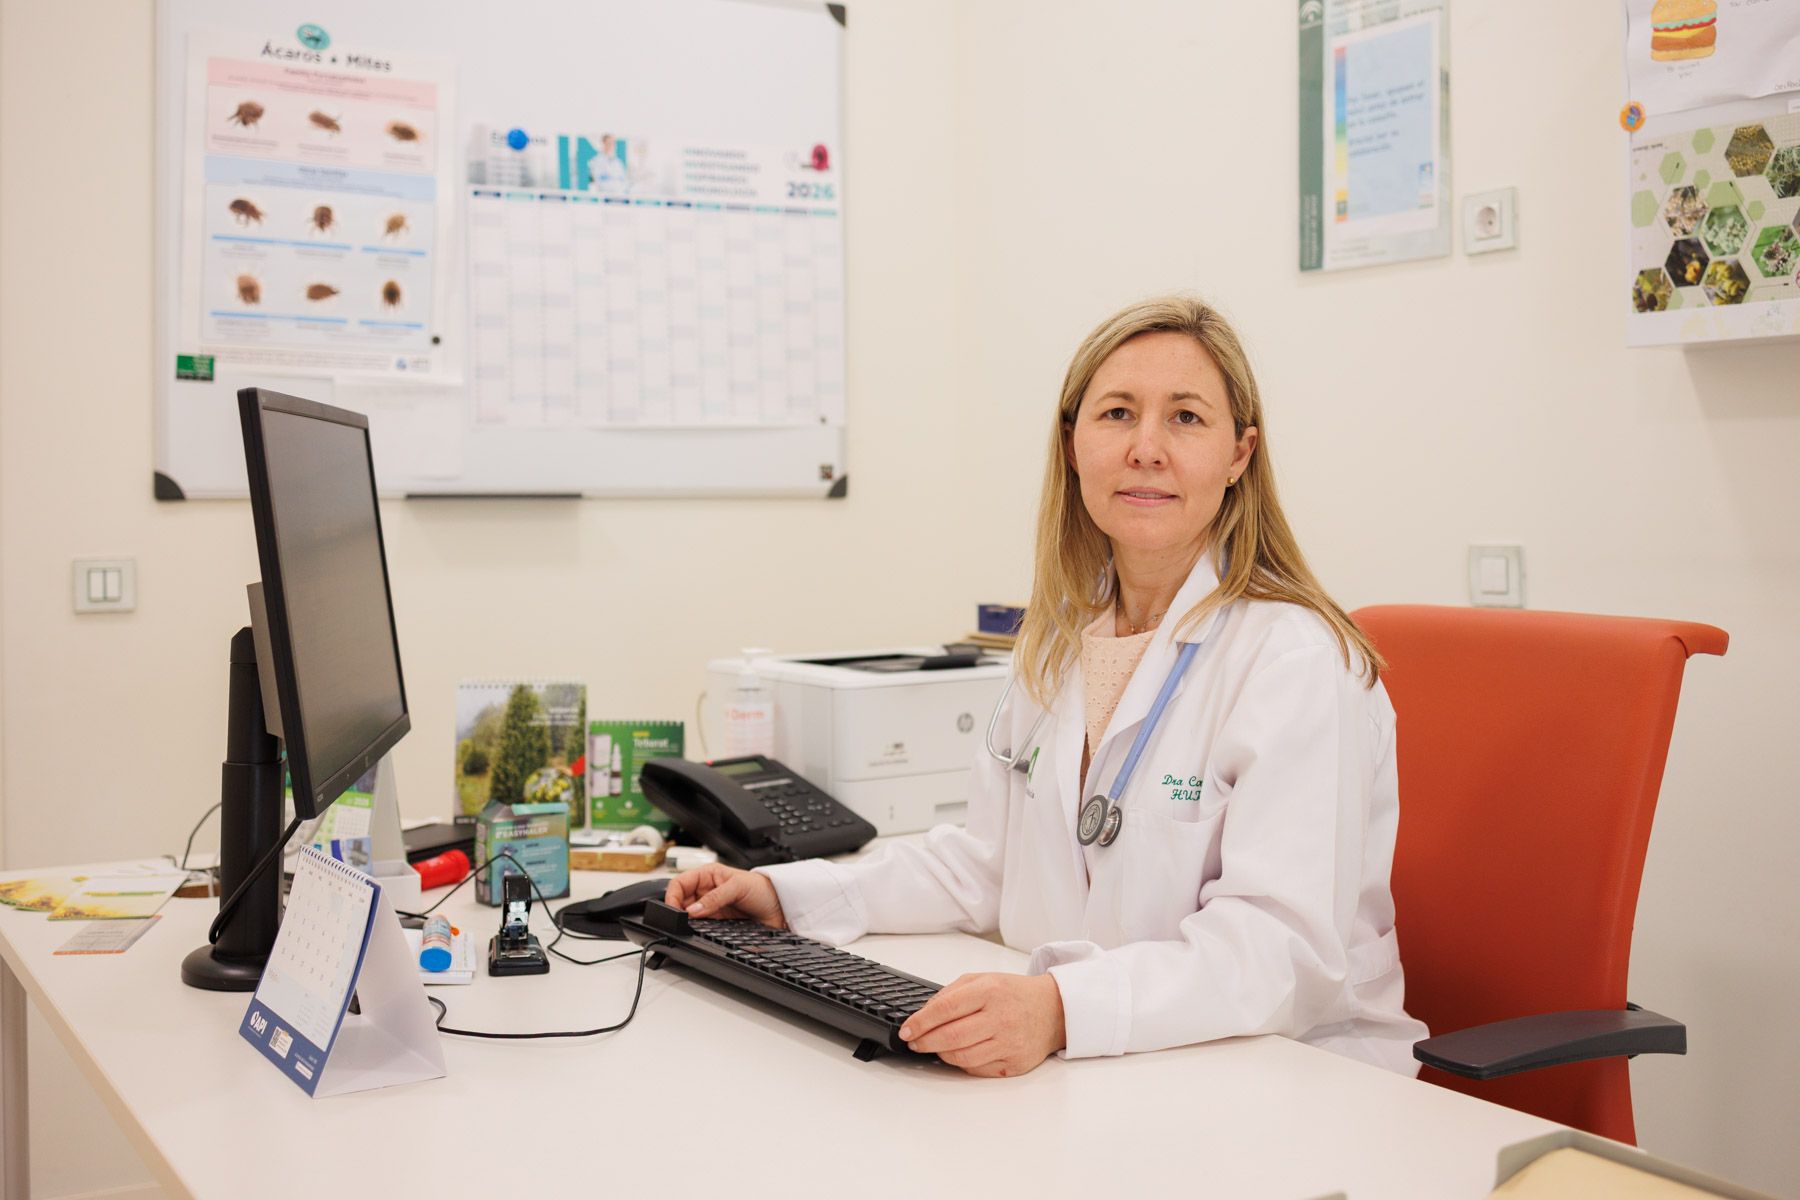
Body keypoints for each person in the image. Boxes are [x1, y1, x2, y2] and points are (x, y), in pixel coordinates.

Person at [667, 295, 1428, 1078]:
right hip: (1115, 1064)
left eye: (1186, 417)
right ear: (1072, 444)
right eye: (1117, 413)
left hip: (1293, 1074)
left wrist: (1063, 1008)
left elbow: (1281, 952)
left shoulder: (1296, 661)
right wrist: (788, 895)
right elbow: (984, 864)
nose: (1146, 448)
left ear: (1240, 453)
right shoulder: (1061, 641)